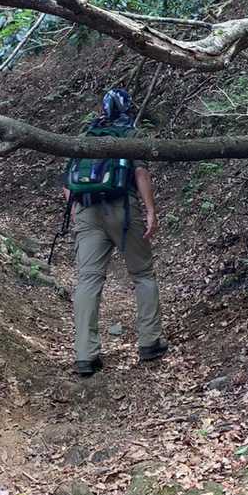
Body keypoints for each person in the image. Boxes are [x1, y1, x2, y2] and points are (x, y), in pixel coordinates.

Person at [63, 88, 167, 378]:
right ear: (128, 108)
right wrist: (150, 210)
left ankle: (85, 355)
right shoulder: (130, 134)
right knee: (142, 274)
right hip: (123, 209)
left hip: (86, 210)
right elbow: (140, 173)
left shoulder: (86, 135)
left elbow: (67, 183)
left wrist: (77, 214)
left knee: (88, 280)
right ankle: (149, 342)